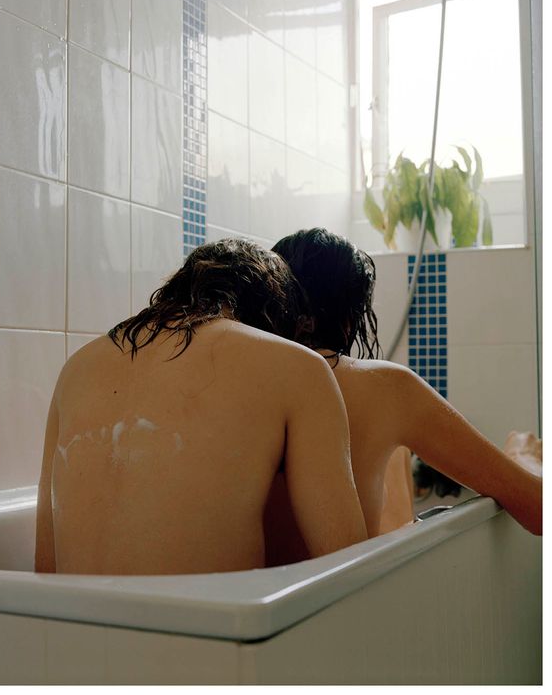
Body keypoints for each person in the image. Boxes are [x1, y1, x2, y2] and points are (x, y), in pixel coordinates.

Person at [35, 238, 367, 575]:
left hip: (70, 610)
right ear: (273, 314)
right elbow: (349, 568)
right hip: (202, 611)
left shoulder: (77, 367)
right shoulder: (297, 366)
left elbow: (45, 568)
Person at [266, 227, 542, 563]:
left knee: (394, 454)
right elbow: (536, 507)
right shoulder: (384, 386)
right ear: (351, 316)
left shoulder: (242, 382)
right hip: (344, 591)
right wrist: (522, 458)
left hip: (254, 592)